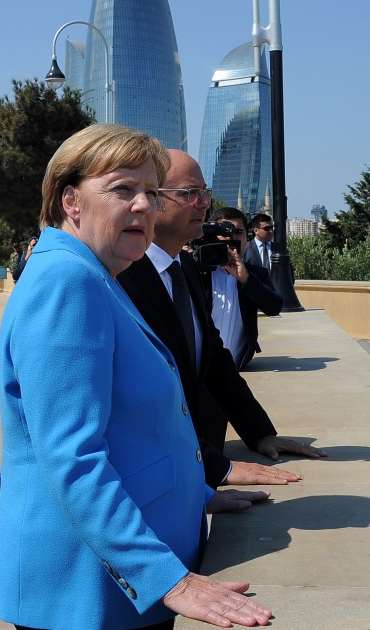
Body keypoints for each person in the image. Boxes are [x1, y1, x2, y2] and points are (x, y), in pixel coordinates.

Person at [0, 124, 272, 630]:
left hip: (112, 580)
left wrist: (199, 490)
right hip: (90, 591)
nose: (144, 206)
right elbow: (71, 455)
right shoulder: (68, 281)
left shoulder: (96, 273)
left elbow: (130, 426)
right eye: (123, 189)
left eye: (149, 191)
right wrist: (170, 579)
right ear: (71, 201)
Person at [118, 150, 326, 487]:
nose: (202, 203)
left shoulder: (182, 267)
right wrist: (218, 469)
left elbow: (214, 359)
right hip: (155, 477)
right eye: (189, 193)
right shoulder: (122, 275)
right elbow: (140, 403)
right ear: (152, 200)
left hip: (196, 459)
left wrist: (260, 434)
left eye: (205, 192)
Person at [207, 207, 282, 369]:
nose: (231, 237)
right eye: (225, 232)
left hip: (237, 366)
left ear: (247, 238)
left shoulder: (255, 274)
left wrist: (246, 279)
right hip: (203, 369)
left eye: (238, 232)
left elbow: (274, 307)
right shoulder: (198, 272)